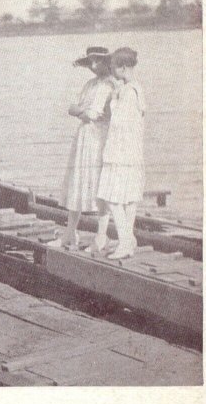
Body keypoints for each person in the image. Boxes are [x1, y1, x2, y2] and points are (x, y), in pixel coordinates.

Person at [57, 46, 114, 253]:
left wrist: (81, 111)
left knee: (99, 184)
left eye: (97, 61)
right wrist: (81, 111)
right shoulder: (90, 84)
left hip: (99, 137)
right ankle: (70, 232)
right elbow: (74, 108)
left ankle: (101, 235)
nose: (93, 65)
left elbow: (93, 114)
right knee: (77, 182)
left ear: (106, 62)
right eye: (90, 62)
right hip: (84, 136)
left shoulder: (110, 84)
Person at [97, 47, 146, 259]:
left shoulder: (127, 92)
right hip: (131, 152)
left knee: (113, 198)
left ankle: (125, 242)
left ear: (123, 68)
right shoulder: (135, 88)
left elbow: (119, 123)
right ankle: (128, 240)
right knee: (127, 198)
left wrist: (113, 99)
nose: (111, 71)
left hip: (121, 152)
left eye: (114, 67)